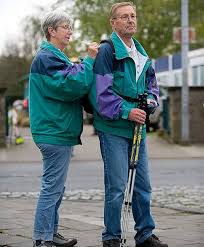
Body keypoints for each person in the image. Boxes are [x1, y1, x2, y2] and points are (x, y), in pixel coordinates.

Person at [89, 2, 168, 247]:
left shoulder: (142, 54)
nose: (130, 20)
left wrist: (150, 103)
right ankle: (111, 236)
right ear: (113, 22)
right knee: (116, 186)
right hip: (113, 127)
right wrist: (127, 111)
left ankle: (145, 234)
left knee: (143, 186)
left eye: (133, 16)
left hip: (138, 130)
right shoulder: (107, 51)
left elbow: (152, 87)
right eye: (124, 17)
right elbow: (101, 93)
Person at [29, 10, 98, 247]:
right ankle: (42, 238)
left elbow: (71, 77)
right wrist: (89, 60)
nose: (70, 31)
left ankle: (51, 233)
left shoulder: (55, 57)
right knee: (52, 188)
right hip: (53, 131)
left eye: (70, 27)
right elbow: (71, 84)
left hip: (58, 131)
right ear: (52, 31)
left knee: (56, 187)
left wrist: (80, 64)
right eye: (66, 27)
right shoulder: (47, 58)